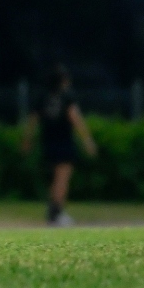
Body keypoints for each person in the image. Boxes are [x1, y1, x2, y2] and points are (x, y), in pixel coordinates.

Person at [22, 65, 97, 226]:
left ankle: (52, 212)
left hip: (47, 141)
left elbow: (32, 120)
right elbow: (75, 118)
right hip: (64, 141)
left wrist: (27, 140)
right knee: (62, 179)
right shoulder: (66, 96)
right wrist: (87, 140)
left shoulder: (42, 97)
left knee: (54, 179)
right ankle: (56, 213)